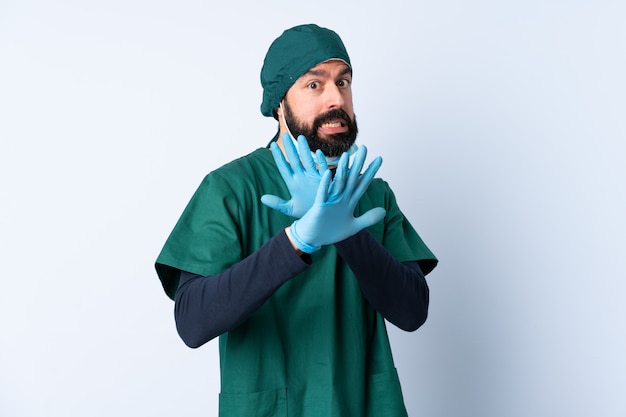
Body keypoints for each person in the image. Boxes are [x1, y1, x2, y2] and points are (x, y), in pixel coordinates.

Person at [155, 23, 438, 417]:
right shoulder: (230, 189)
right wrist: (295, 241)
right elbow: (192, 322)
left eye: (344, 82)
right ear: (278, 103)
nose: (335, 98)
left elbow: (412, 312)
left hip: (365, 406)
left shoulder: (373, 194)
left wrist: (349, 234)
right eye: (314, 85)